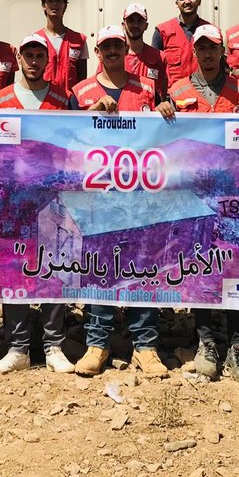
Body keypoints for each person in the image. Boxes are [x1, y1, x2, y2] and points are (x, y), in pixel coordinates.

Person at [156, 24, 239, 382]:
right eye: (201, 48)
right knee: (199, 263)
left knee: (234, 263)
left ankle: (237, 340)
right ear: (194, 52)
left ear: (222, 52)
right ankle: (205, 340)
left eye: (213, 48)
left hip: (233, 196)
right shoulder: (178, 89)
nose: (207, 54)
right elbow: (164, 134)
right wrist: (162, 110)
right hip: (193, 196)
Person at [68, 25, 165, 377]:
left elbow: (164, 133)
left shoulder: (147, 88)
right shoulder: (81, 92)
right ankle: (97, 343)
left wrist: (166, 112)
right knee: (99, 271)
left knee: (144, 270)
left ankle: (146, 347)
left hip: (141, 198)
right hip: (97, 199)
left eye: (117, 46)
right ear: (97, 51)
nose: (112, 51)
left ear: (126, 49)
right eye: (105, 46)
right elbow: (65, 135)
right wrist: (89, 112)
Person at [0, 33, 76, 375]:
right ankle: (18, 347)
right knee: (14, 269)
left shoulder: (61, 98)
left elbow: (75, 143)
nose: (34, 61)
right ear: (19, 58)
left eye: (40, 55)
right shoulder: (0, 101)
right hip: (11, 205)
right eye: (28, 55)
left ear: (47, 61)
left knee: (54, 270)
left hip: (53, 199)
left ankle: (53, 345)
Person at [101, 2, 168, 100]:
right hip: (119, 111)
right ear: (123, 25)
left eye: (140, 21)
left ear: (146, 25)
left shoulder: (160, 57)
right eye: (131, 20)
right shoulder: (113, 56)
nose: (135, 25)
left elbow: (162, 92)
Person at [152, 0, 212, 86]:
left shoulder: (210, 30)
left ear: (199, 1)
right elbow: (154, 69)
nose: (187, 1)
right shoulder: (162, 31)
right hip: (173, 97)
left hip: (203, 95)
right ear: (177, 3)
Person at [39, 0, 87, 97]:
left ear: (65, 6)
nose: (54, 4)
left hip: (71, 104)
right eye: (50, 1)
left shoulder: (79, 39)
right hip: (45, 102)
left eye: (58, 1)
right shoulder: (35, 39)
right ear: (43, 6)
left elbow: (82, 78)